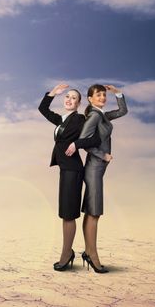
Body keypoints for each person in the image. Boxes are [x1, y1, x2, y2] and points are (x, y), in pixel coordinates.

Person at [38, 83, 101, 271]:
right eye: (67, 97)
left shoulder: (80, 119)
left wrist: (77, 143)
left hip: (73, 170)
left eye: (74, 98)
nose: (69, 99)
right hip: (66, 169)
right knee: (66, 213)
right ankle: (69, 252)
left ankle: (66, 254)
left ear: (79, 103)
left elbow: (96, 138)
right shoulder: (61, 120)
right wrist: (52, 93)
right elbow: (43, 109)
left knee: (68, 214)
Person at [65, 84, 127, 273]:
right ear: (90, 99)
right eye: (98, 95)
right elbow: (84, 142)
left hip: (98, 169)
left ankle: (89, 252)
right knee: (94, 212)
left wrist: (118, 93)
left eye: (103, 95)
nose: (102, 97)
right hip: (93, 168)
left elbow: (123, 110)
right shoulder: (93, 116)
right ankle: (92, 255)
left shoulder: (102, 115)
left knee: (92, 211)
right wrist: (103, 155)